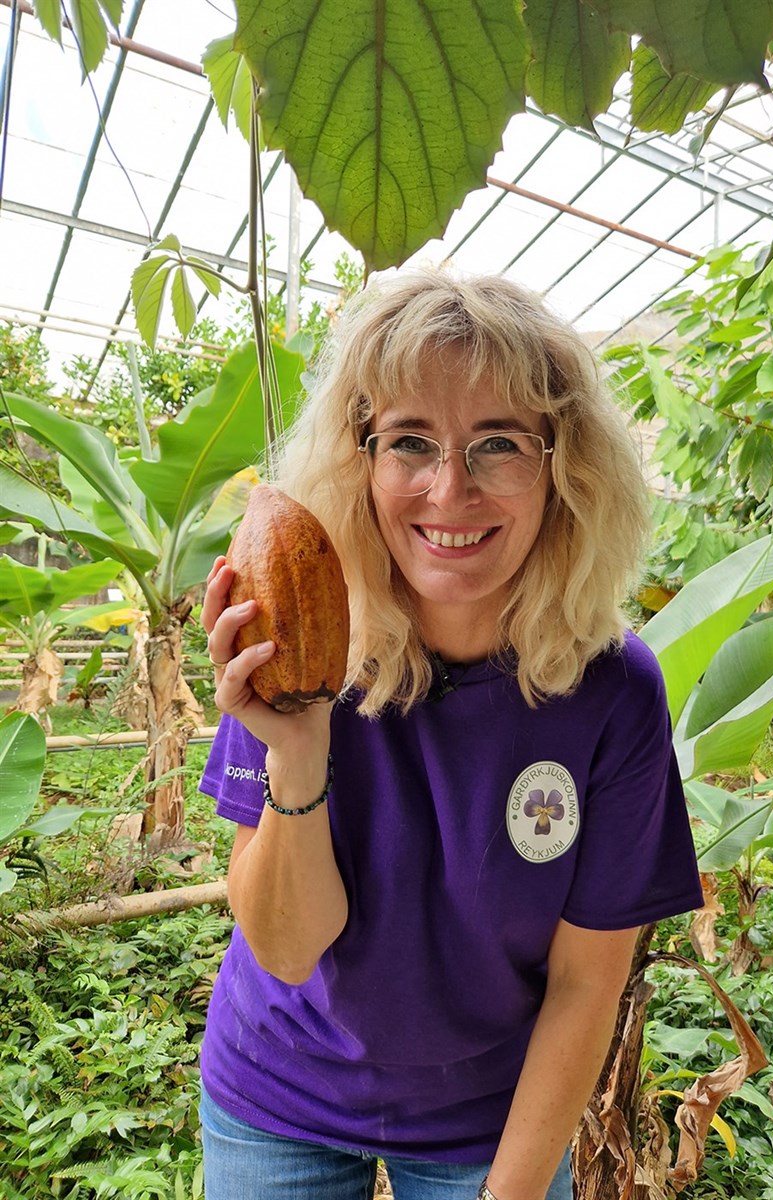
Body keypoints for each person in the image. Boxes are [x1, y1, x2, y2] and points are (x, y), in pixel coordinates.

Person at [198, 270, 703, 1200]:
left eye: (499, 443)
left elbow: (586, 985)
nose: (449, 489)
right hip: (278, 1093)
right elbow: (287, 947)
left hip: (489, 1117)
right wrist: (297, 747)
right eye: (411, 442)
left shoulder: (615, 690)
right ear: (364, 462)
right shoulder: (299, 637)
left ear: (565, 463)